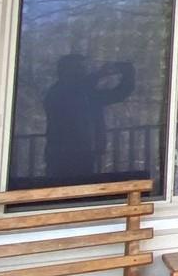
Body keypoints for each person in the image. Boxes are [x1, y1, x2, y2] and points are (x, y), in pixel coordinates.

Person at [42, 53, 136, 184]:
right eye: (79, 68)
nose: (83, 72)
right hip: (62, 155)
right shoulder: (59, 94)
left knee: (81, 190)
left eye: (83, 69)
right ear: (67, 71)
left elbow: (119, 94)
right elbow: (74, 92)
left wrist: (128, 74)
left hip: (83, 153)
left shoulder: (85, 95)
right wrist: (99, 74)